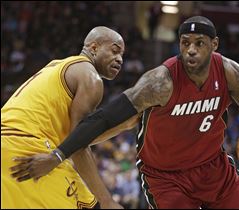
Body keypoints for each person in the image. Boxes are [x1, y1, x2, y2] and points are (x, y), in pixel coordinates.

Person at [10, 16, 239, 209]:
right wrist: (61, 153)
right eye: (185, 42)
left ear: (214, 45)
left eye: (199, 43)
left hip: (213, 167)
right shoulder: (159, 82)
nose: (190, 50)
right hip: (166, 177)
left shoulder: (229, 72)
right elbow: (104, 119)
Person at [1, 26, 139, 209]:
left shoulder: (58, 64)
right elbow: (79, 145)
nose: (120, 59)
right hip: (26, 147)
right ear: (94, 47)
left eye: (122, 55)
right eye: (114, 51)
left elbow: (78, 138)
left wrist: (121, 126)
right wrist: (108, 201)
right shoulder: (90, 77)